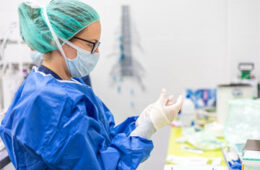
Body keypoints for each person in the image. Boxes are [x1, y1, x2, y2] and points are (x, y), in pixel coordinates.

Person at [0, 0, 183, 169]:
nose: (97, 52)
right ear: (60, 41)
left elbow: (101, 142)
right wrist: (148, 128)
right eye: (92, 44)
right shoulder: (52, 101)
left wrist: (139, 123)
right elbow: (99, 165)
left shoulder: (66, 84)